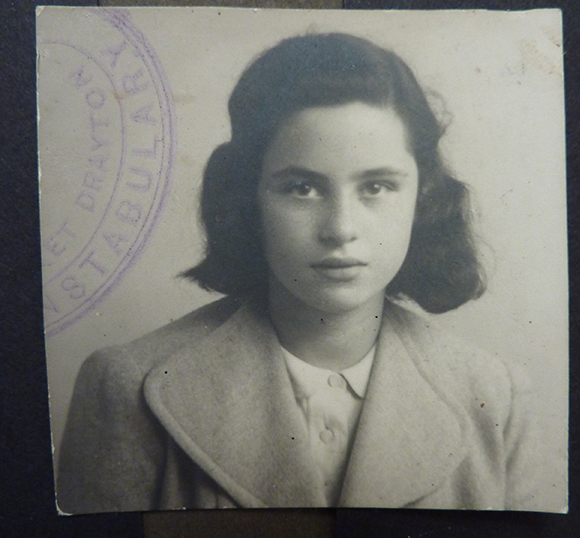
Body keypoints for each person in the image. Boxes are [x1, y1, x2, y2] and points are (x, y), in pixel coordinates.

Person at [57, 32, 540, 513]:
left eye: (376, 186)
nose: (341, 229)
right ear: (249, 198)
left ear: (423, 197)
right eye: (302, 188)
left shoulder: (495, 395)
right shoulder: (126, 386)